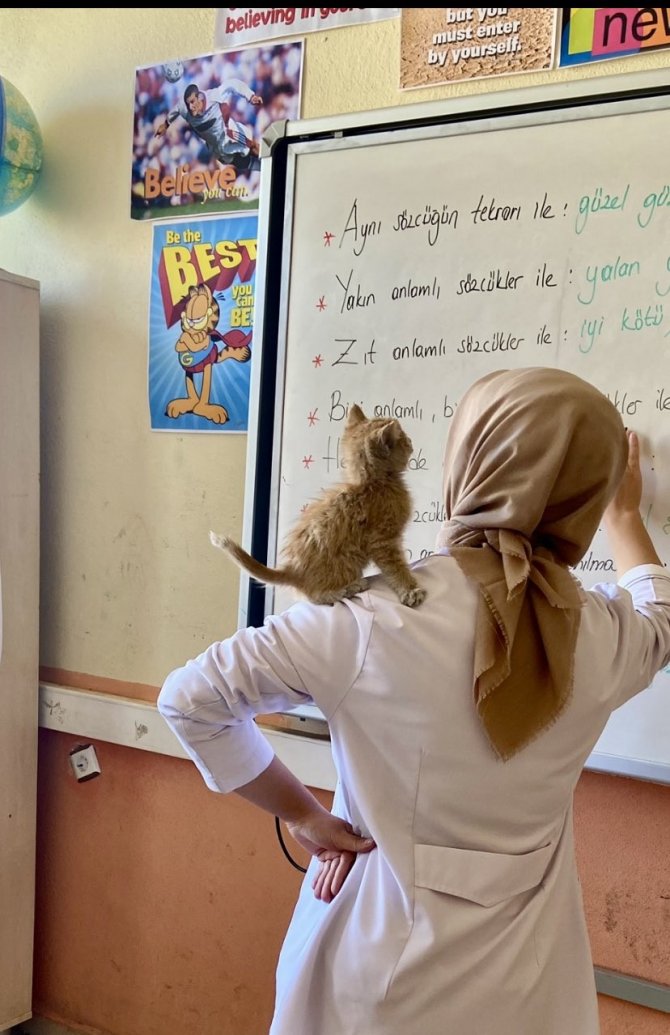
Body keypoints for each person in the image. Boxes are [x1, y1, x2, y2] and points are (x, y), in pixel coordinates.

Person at [158, 367, 670, 1035]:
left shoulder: (368, 621)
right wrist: (625, 518)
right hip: (527, 989)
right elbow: (661, 616)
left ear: (466, 462)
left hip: (372, 978)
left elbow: (190, 701)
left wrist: (305, 815)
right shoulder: (602, 636)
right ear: (585, 495)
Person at [155, 80, 263, 173]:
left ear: (199, 97)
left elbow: (232, 84)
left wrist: (250, 96)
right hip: (218, 149)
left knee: (252, 147)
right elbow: (175, 111)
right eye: (188, 104)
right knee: (243, 163)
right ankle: (265, 170)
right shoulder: (186, 110)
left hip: (230, 134)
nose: (191, 106)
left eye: (192, 102)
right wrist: (165, 125)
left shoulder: (213, 96)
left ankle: (269, 157)